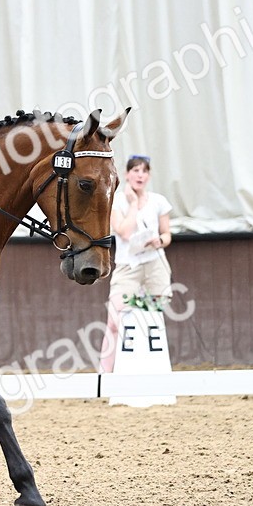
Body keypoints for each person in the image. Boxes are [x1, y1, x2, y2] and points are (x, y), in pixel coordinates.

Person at [100, 155, 171, 371]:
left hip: (153, 264)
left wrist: (160, 241)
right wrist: (133, 204)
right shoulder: (117, 200)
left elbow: (167, 234)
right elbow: (123, 231)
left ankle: (152, 369)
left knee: (154, 317)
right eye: (136, 170)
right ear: (127, 174)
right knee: (114, 321)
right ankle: (104, 375)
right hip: (127, 266)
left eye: (144, 171)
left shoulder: (158, 201)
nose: (140, 175)